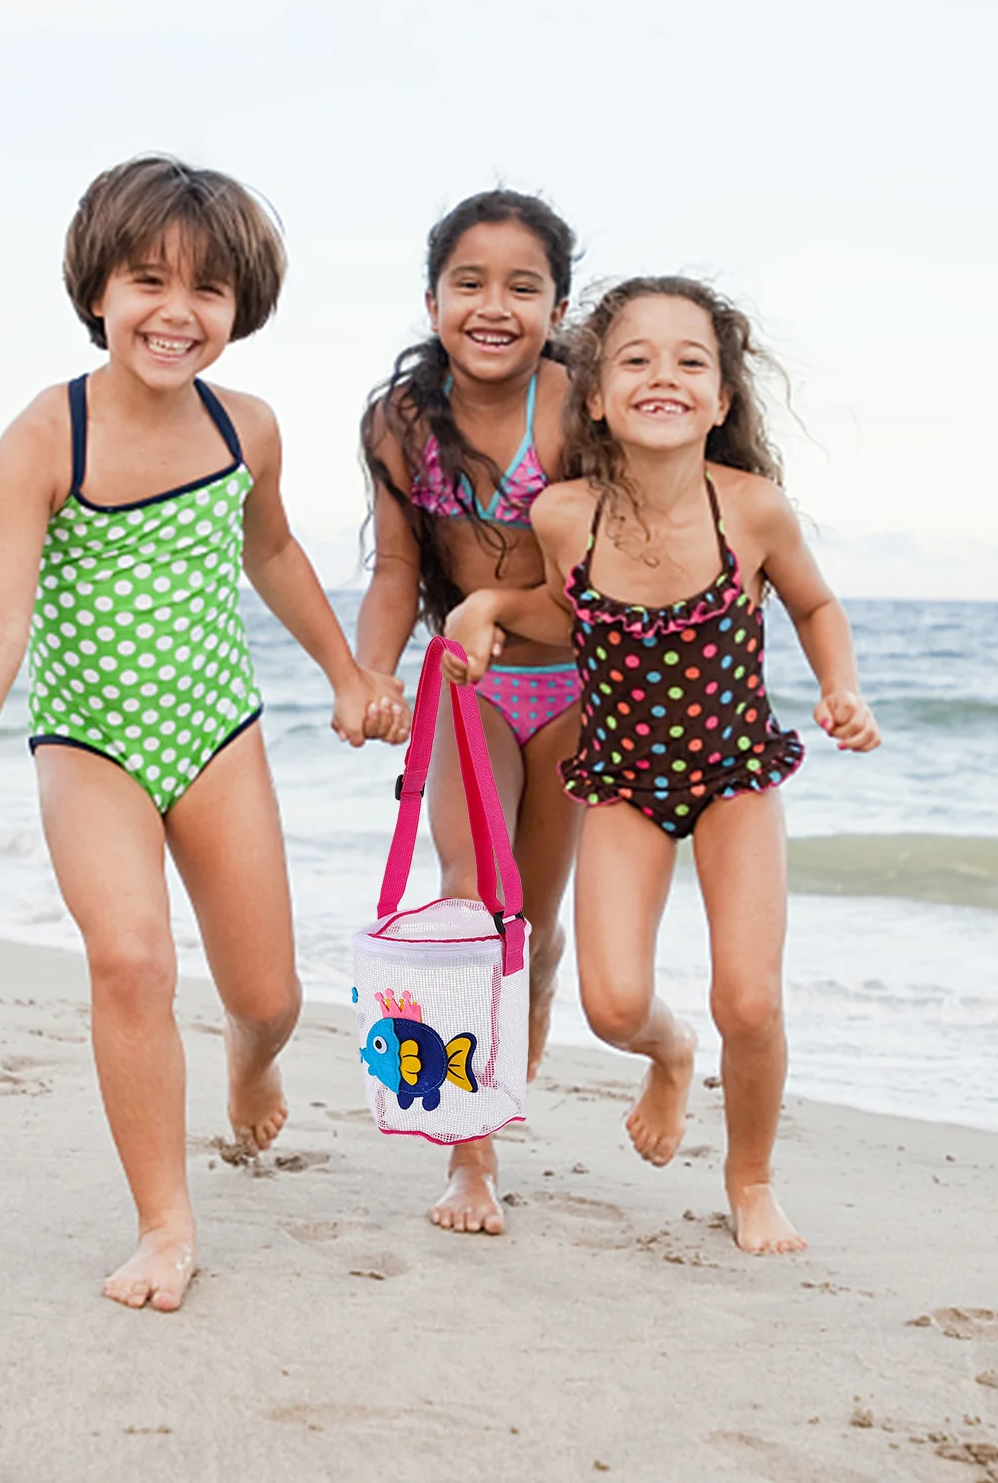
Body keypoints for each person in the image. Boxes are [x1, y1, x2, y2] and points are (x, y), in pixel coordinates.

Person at [0, 155, 408, 1311]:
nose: (177, 312)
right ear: (97, 287)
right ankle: (164, 1225)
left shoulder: (247, 427)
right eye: (149, 279)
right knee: (133, 960)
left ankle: (252, 1063)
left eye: (208, 291)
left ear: (240, 309)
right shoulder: (48, 435)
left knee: (271, 992)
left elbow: (273, 554)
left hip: (217, 735)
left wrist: (347, 670)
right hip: (90, 744)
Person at [443, 276, 880, 1254]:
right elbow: (561, 613)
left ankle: (751, 1176)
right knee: (610, 1005)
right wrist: (482, 612)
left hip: (734, 777)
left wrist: (841, 685)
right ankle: (671, 1054)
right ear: (593, 395)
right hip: (623, 783)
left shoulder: (753, 512)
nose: (663, 377)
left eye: (690, 361)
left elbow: (812, 604)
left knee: (752, 1000)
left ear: (721, 400)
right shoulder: (565, 517)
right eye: (635, 358)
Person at [356, 190, 581, 1236]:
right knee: (470, 905)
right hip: (468, 684)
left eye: (521, 287)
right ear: (434, 296)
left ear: (557, 304)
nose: (494, 307)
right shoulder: (401, 423)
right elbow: (398, 568)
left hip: (583, 685)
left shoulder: (577, 405)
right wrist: (370, 674)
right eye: (470, 283)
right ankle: (469, 1160)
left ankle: (521, 1032)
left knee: (530, 926)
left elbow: (618, 564)